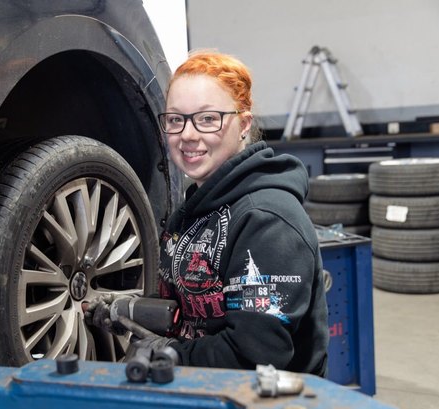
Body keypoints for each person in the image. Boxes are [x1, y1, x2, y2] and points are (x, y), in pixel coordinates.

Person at [87, 50, 328, 376]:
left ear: (243, 124)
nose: (187, 134)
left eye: (207, 118)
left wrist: (170, 352)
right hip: (203, 395)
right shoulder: (198, 208)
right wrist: (128, 312)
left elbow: (256, 356)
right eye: (176, 119)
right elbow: (196, 312)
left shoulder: (267, 222)